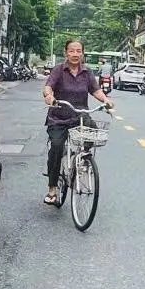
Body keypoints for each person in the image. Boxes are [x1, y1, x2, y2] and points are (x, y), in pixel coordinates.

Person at [43, 39, 113, 206]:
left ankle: (82, 160)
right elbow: (48, 87)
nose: (75, 54)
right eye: (72, 51)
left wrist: (106, 101)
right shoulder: (58, 70)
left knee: (94, 135)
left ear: (82, 53)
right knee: (57, 148)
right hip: (58, 117)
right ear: (66, 52)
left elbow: (95, 90)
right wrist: (49, 96)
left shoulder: (87, 72)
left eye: (78, 51)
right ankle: (52, 189)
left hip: (79, 116)